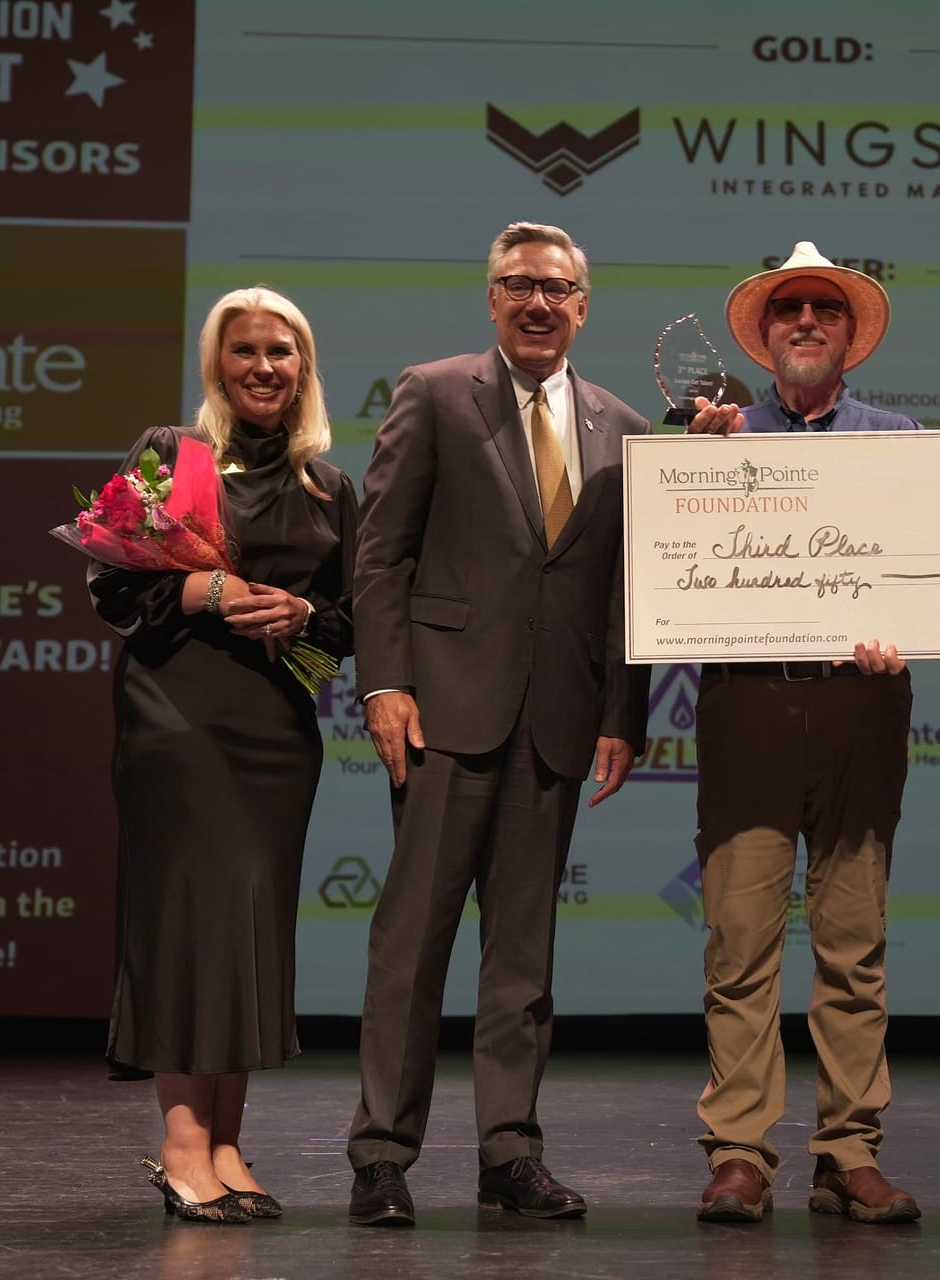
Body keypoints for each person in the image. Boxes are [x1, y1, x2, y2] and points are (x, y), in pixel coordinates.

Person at [346, 221, 652, 1227]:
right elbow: (380, 553)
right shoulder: (435, 393)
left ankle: (510, 1154)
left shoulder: (623, 425)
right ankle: (381, 1156)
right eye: (518, 285)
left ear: (583, 307)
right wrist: (385, 684)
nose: (537, 302)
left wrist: (622, 712)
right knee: (411, 948)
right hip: (441, 714)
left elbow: (625, 590)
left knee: (523, 959)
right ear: (491, 300)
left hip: (555, 722)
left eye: (556, 288)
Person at [91, 286, 357, 1223]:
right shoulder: (172, 456)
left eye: (280, 350)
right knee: (186, 927)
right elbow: (113, 588)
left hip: (276, 733)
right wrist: (203, 591)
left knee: (248, 930)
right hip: (177, 721)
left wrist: (302, 615)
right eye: (244, 350)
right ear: (217, 364)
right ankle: (181, 1148)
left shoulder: (331, 488)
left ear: (303, 365)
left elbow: (352, 626)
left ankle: (228, 1143)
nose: (263, 366)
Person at [681, 242, 921, 1225]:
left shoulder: (902, 443)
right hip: (746, 704)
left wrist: (907, 630)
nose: (808, 321)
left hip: (862, 705)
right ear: (765, 335)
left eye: (826, 308)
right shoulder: (716, 438)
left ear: (851, 335)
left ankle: (849, 1151)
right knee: (739, 943)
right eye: (791, 309)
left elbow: (926, 578)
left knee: (854, 943)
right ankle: (739, 1152)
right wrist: (695, 460)